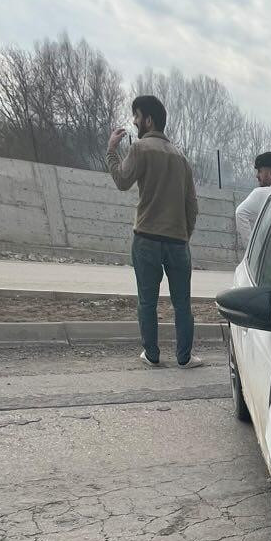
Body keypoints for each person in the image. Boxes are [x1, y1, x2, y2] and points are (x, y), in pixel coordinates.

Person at [108, 94, 201, 368]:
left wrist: (112, 151)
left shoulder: (140, 149)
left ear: (148, 120)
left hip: (147, 237)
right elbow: (191, 205)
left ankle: (152, 354)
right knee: (182, 303)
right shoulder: (181, 158)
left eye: (136, 116)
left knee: (147, 301)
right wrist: (184, 234)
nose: (135, 121)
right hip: (177, 241)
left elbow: (123, 180)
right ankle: (184, 358)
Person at [235, 152, 271, 246]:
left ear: (270, 174)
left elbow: (240, 213)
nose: (257, 176)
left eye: (260, 171)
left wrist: (251, 248)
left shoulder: (260, 193)